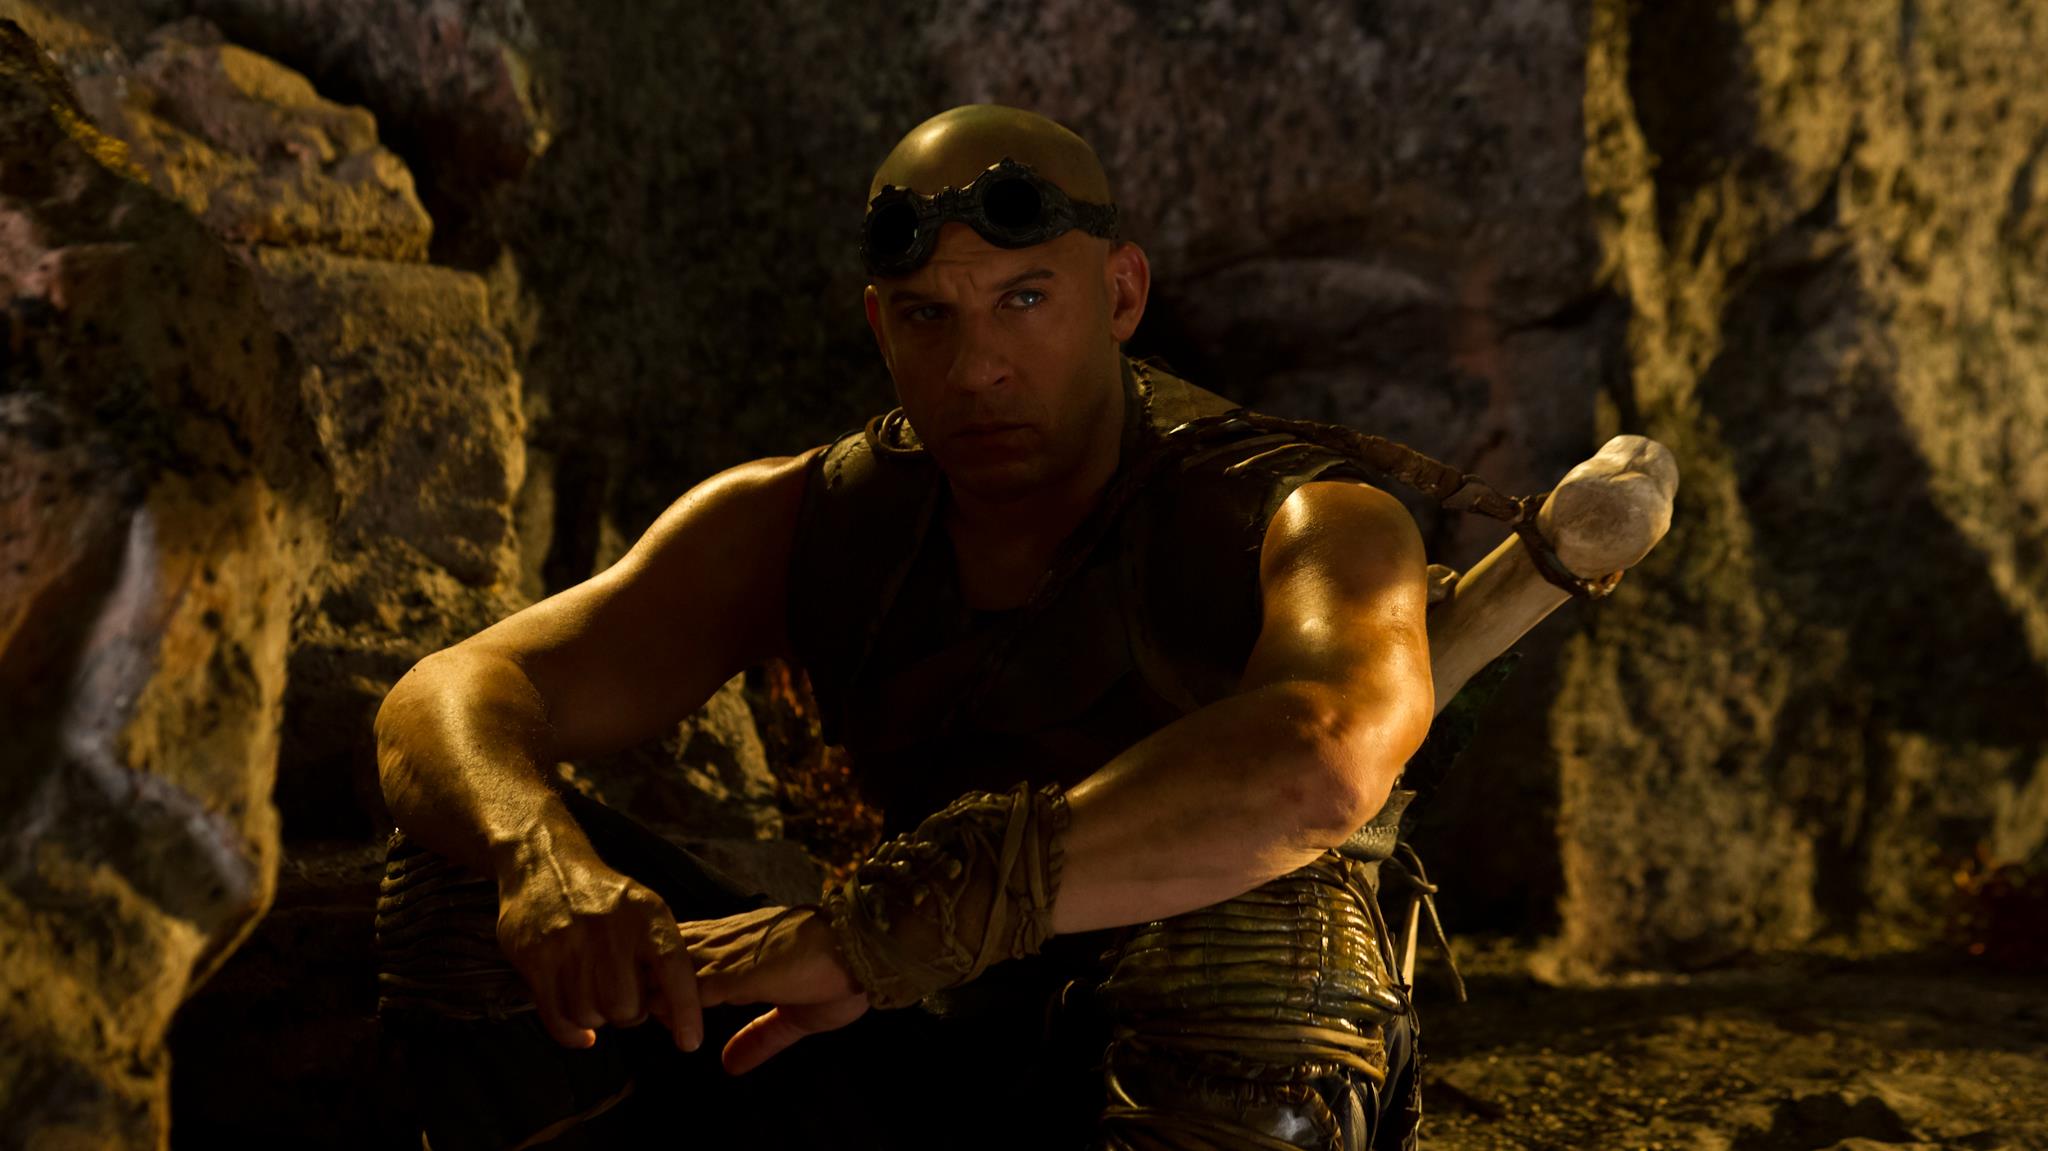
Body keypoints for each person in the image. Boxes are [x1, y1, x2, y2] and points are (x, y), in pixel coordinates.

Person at [374, 103, 1434, 1151]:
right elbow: (448, 693)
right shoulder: (811, 518)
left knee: (1270, 927)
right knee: (462, 864)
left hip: (1190, 1067)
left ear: (1120, 294)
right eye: (929, 316)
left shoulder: (1302, 515)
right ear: (881, 329)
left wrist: (873, 933)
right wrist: (538, 856)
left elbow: (1320, 759)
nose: (976, 369)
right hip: (915, 1045)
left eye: (1023, 299)